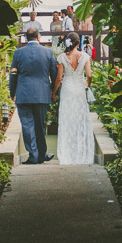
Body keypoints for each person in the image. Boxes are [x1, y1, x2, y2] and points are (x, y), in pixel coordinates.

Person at [10, 27, 57, 165]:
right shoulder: (48, 52)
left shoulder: (18, 53)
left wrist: (12, 92)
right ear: (38, 37)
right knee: (39, 125)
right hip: (42, 94)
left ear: (25, 38)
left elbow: (13, 74)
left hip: (23, 93)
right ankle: (41, 155)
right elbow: (53, 74)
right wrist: (54, 92)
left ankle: (34, 156)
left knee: (27, 125)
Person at [51, 31, 95, 165]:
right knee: (80, 118)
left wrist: (54, 93)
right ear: (78, 43)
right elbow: (89, 75)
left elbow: (59, 78)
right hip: (80, 88)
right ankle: (81, 152)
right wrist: (87, 85)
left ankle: (67, 153)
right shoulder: (85, 56)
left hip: (67, 89)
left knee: (67, 118)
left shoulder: (62, 57)